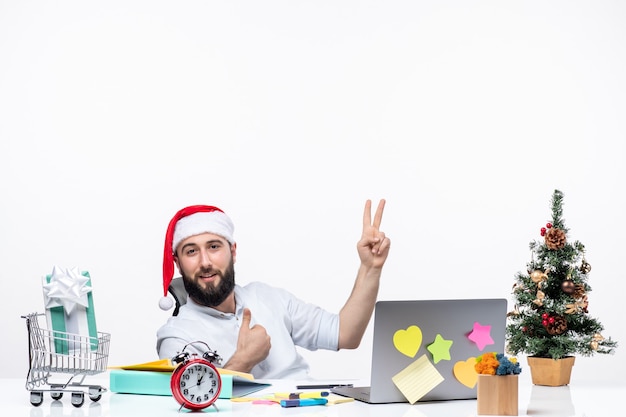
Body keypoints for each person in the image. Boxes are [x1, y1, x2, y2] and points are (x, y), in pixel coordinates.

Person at [156, 199, 390, 379]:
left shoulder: (268, 297)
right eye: (191, 251)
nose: (205, 261)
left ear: (233, 252)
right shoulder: (176, 338)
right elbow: (195, 400)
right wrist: (243, 360)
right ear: (178, 263)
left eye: (214, 246)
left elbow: (345, 334)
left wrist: (370, 268)